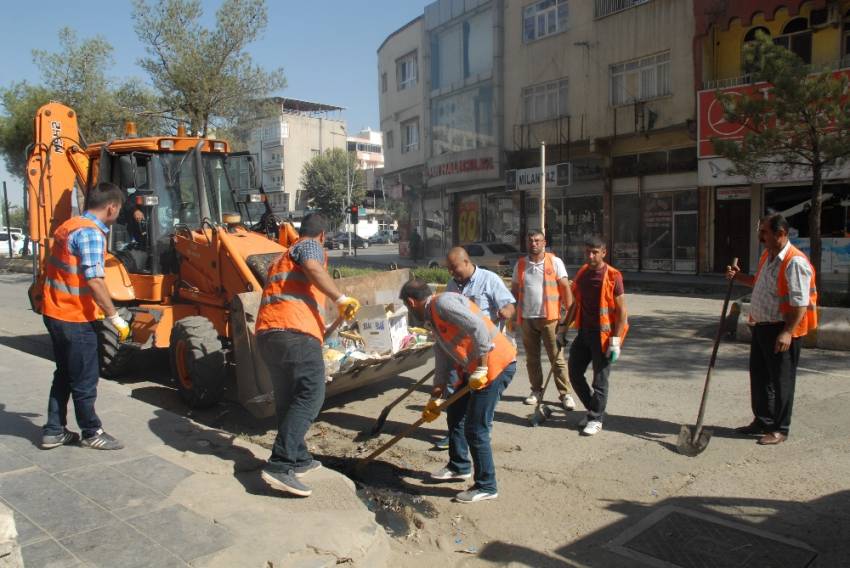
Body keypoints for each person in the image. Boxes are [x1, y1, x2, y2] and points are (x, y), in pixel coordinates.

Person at [255, 213, 361, 496]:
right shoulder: (309, 246)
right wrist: (340, 298)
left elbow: (298, 303)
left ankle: (299, 457)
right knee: (311, 394)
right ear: (323, 236)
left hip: (270, 334)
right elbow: (313, 265)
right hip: (293, 333)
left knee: (288, 398)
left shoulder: (281, 259)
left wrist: (336, 321)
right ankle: (280, 463)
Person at [400, 279, 516, 503]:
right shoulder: (432, 316)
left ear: (411, 301)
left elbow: (478, 328)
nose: (409, 310)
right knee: (455, 411)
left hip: (495, 366)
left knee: (476, 429)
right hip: (474, 369)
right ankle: (458, 465)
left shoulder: (443, 304)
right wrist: (436, 394)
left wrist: (482, 367)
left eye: (407, 306)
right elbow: (443, 353)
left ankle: (486, 485)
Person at [40, 182, 129, 451]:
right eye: (119, 209)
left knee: (65, 373)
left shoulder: (70, 226)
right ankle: (91, 431)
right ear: (111, 207)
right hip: (75, 316)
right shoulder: (91, 234)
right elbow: (94, 280)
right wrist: (114, 317)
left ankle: (54, 430)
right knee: (85, 378)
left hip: (55, 311)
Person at [725, 213, 816, 446]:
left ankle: (779, 428)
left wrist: (787, 332)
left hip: (782, 329)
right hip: (762, 327)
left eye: (764, 232)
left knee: (781, 380)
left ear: (781, 234)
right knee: (760, 376)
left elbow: (800, 302)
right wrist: (738, 277)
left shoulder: (794, 262)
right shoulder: (769, 255)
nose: (760, 236)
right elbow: (759, 282)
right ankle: (763, 420)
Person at [429, 247, 515, 450]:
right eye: (449, 269)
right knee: (455, 396)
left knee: (482, 403)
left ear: (466, 262)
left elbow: (510, 305)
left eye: (454, 267)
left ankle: (479, 436)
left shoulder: (489, 279)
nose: (452, 272)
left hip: (490, 354)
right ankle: (455, 437)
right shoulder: (452, 285)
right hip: (464, 355)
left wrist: (505, 311)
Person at [565, 236, 628, 437]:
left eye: (595, 252)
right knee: (574, 373)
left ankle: (595, 418)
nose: (590, 256)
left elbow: (622, 312)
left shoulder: (613, 276)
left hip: (604, 336)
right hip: (584, 332)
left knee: (599, 381)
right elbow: (576, 304)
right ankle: (594, 409)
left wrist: (615, 341)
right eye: (588, 252)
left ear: (603, 252)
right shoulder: (583, 273)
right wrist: (562, 329)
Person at [512, 230, 576, 412]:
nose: (534, 243)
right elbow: (515, 291)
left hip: (550, 319)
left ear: (544, 242)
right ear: (526, 242)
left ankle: (565, 394)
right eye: (530, 240)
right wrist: (511, 315)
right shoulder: (521, 264)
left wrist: (567, 319)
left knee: (557, 359)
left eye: (537, 240)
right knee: (532, 359)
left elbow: (565, 289)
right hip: (527, 319)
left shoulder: (554, 262)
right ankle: (536, 391)